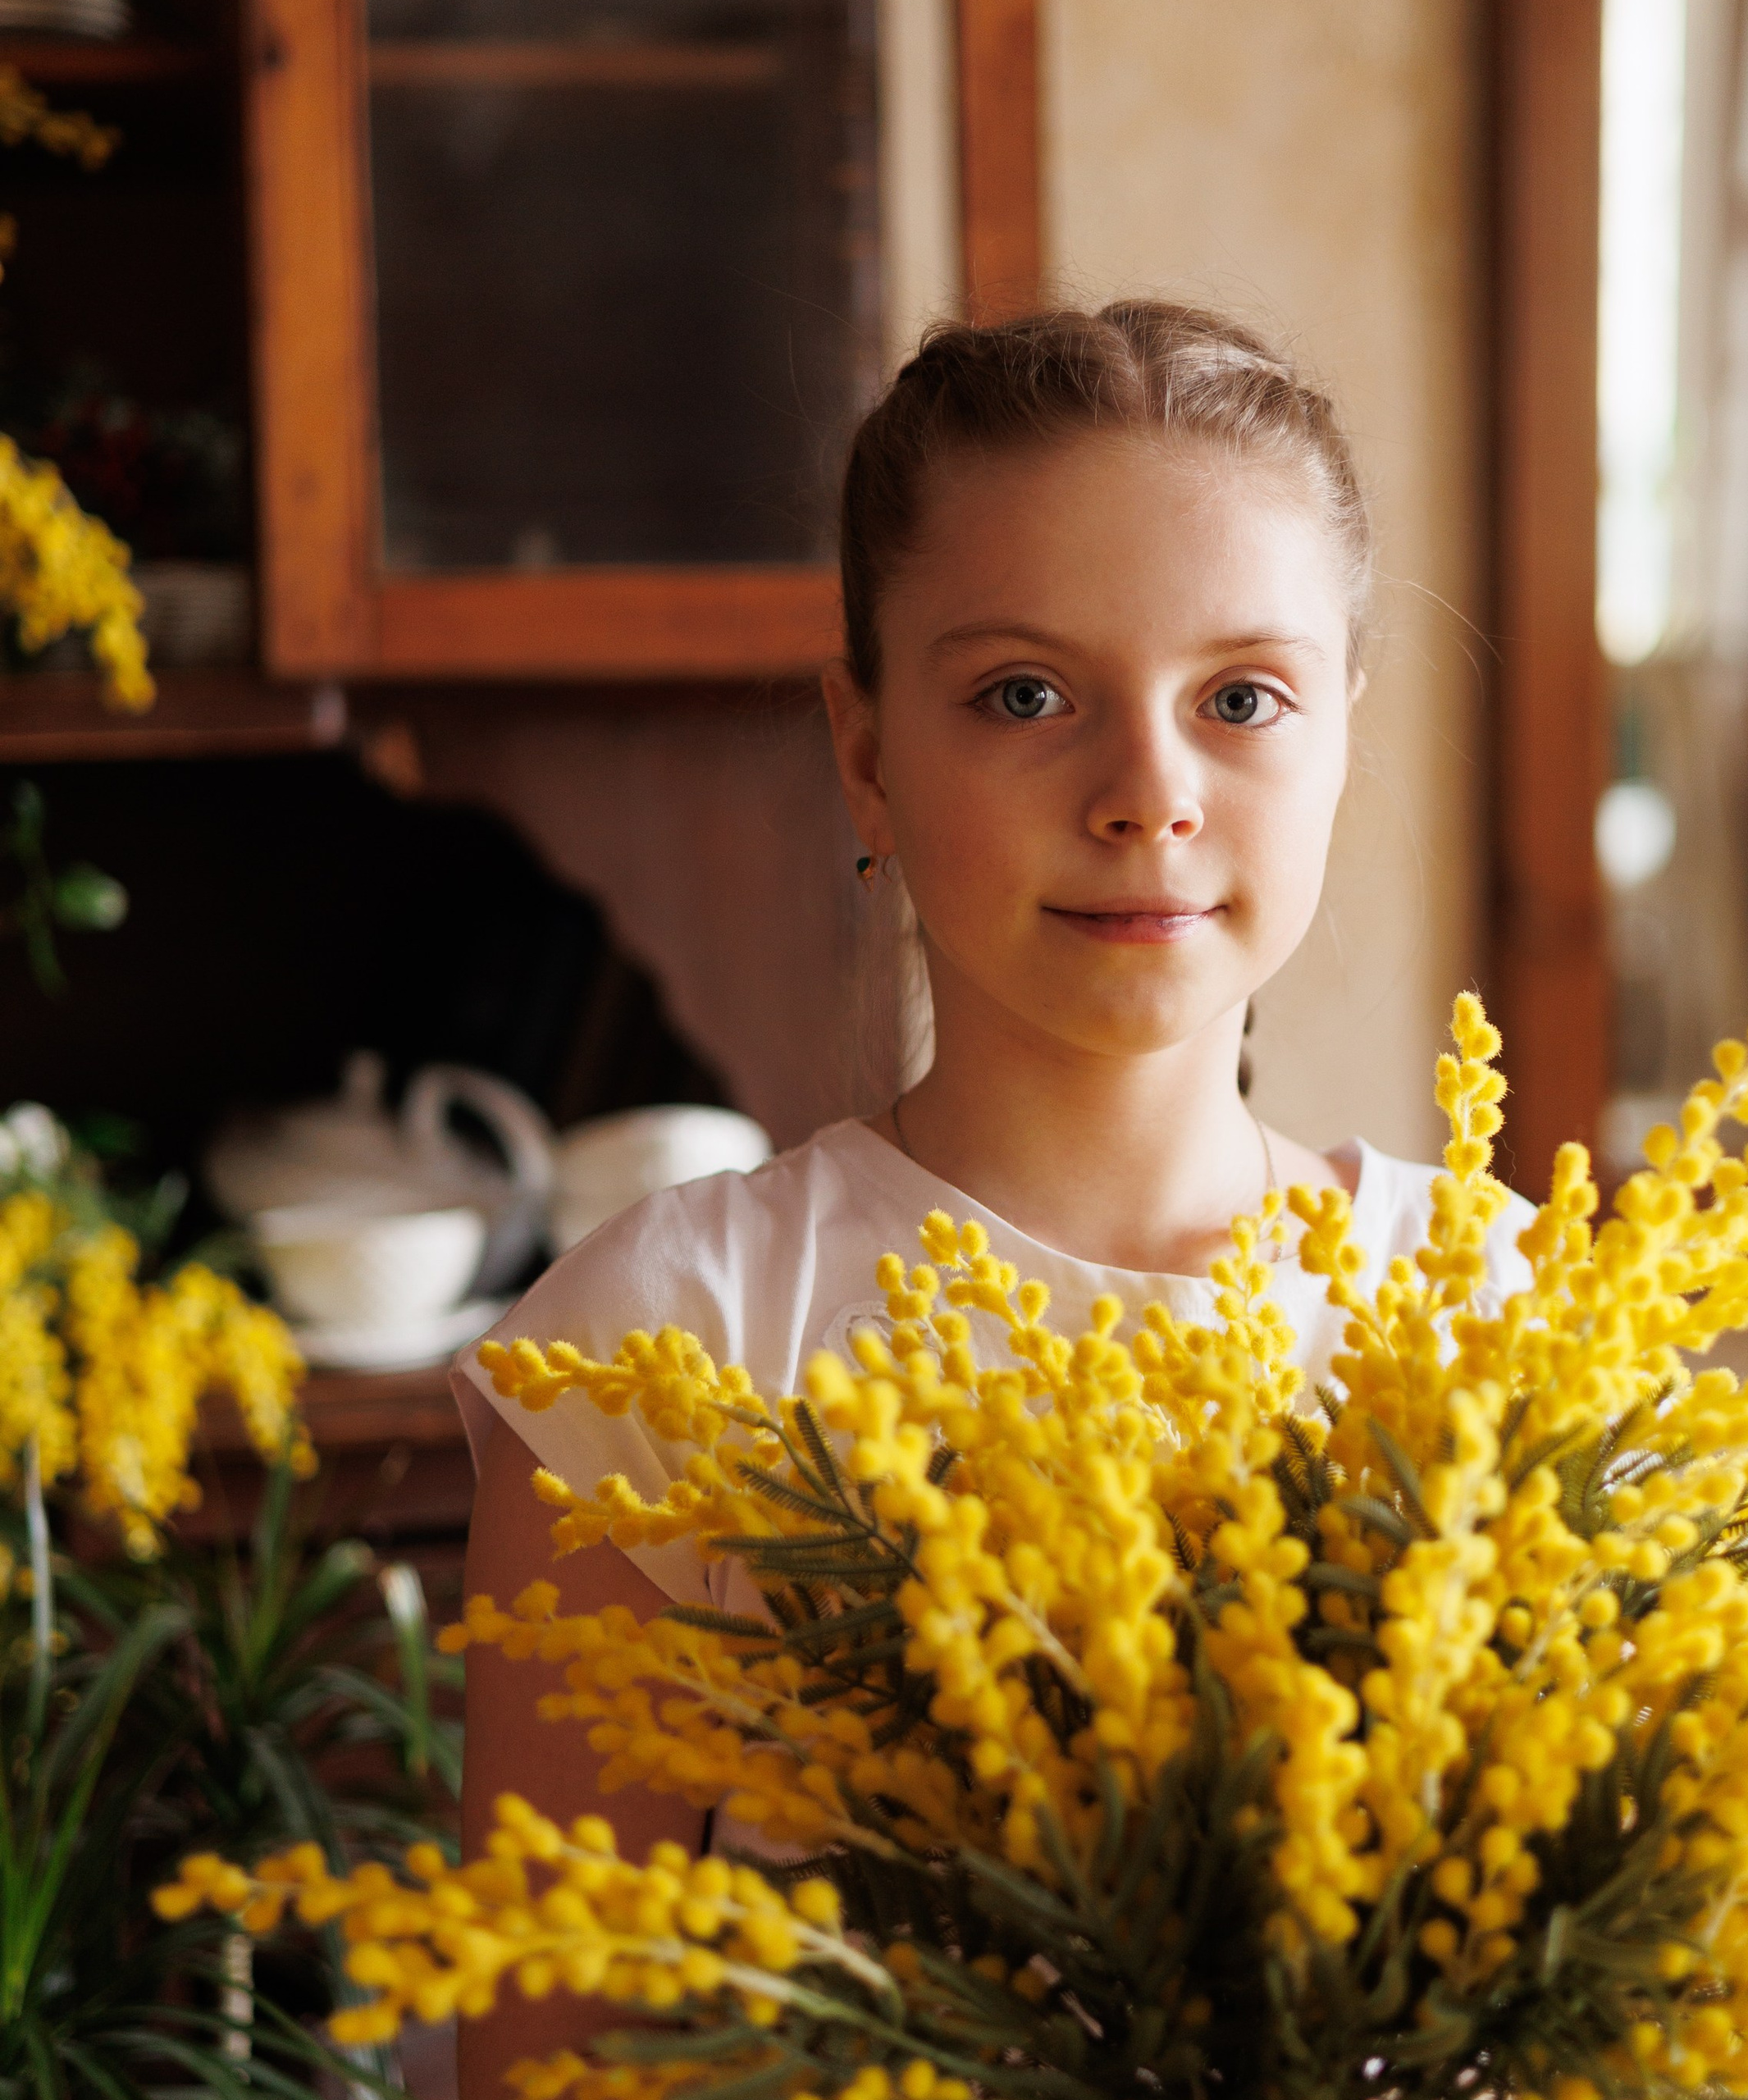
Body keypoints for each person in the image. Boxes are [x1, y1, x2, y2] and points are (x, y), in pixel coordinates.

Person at [450, 299, 1531, 2093]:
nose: (1147, 794)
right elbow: (556, 2062)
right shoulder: (668, 1349)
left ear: (1344, 726)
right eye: (1024, 694)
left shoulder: (1494, 1305)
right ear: (866, 749)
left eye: (1240, 697)